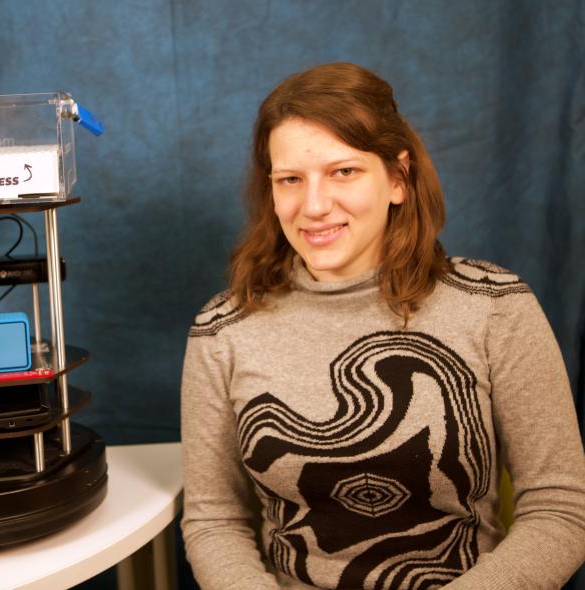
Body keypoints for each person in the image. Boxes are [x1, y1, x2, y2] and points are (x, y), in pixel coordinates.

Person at [180, 62, 585, 589]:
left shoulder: (495, 307)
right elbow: (215, 521)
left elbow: (561, 509)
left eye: (343, 171)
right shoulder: (222, 330)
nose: (315, 205)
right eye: (291, 180)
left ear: (398, 177)